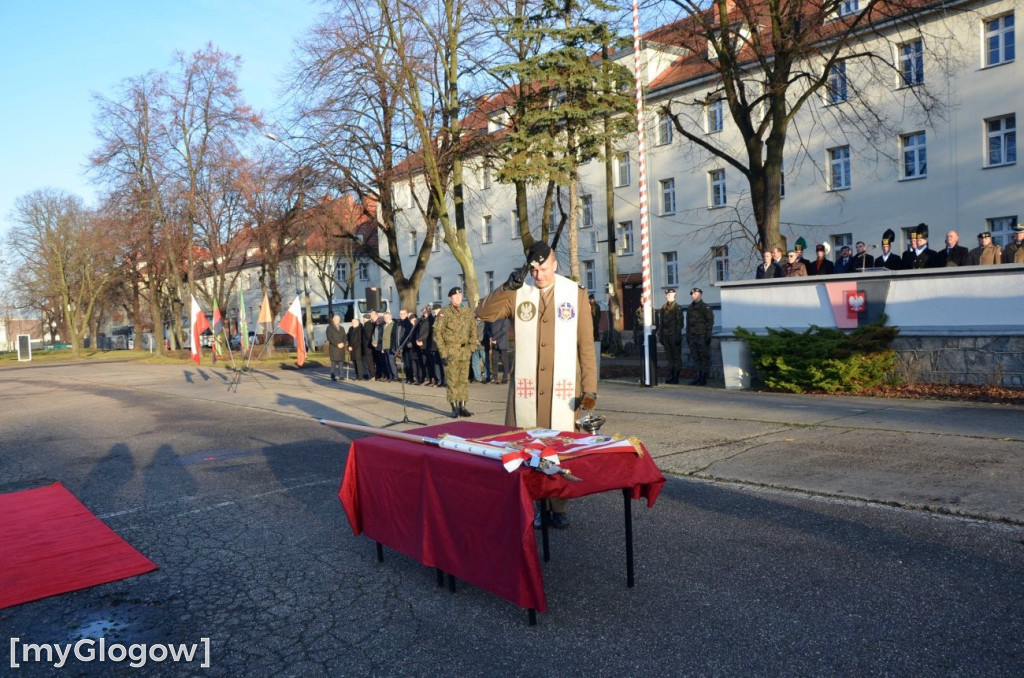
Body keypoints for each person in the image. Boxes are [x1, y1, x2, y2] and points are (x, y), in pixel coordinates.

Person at [477, 241, 597, 529]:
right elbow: (484, 313)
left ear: (555, 265)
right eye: (534, 269)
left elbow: (586, 346)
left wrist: (590, 389)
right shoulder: (519, 292)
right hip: (526, 391)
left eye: (543, 268)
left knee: (559, 449)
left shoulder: (575, 294)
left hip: (563, 389)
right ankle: (534, 504)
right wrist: (506, 287)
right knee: (526, 450)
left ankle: (559, 505)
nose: (538, 275)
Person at [434, 287, 476, 418]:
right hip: (451, 352)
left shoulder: (467, 311)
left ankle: (462, 406)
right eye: (455, 296)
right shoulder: (444, 313)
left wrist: (472, 347)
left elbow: (473, 331)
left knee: (463, 381)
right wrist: (443, 354)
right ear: (450, 298)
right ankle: (454, 408)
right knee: (452, 381)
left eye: (460, 295)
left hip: (465, 351)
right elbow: (437, 334)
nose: (458, 298)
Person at [686, 287, 715, 385]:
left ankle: (703, 377)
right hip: (692, 335)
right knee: (695, 357)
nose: (693, 295)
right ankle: (698, 376)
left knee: (703, 357)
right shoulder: (690, 308)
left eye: (695, 294)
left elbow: (710, 322)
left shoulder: (705, 307)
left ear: (700, 295)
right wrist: (688, 336)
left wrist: (708, 335)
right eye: (692, 294)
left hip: (702, 335)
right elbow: (688, 323)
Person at [659, 288, 684, 383]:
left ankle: (676, 376)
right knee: (669, 356)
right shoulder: (663, 307)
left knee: (676, 356)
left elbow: (680, 323)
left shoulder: (677, 307)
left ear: (674, 295)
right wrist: (660, 335)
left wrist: (677, 336)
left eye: (669, 295)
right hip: (666, 336)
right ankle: (671, 374)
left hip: (674, 335)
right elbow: (661, 323)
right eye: (666, 295)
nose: (667, 296)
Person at [487, 317, 510, 384]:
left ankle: (505, 378)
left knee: (504, 361)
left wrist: (494, 338)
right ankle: (494, 377)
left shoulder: (505, 319)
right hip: (494, 343)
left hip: (502, 342)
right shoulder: (493, 318)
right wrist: (490, 337)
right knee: (494, 360)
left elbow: (503, 330)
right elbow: (488, 328)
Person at [326, 314, 347, 382]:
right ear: (333, 320)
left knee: (341, 362)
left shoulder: (342, 328)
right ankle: (333, 376)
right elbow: (330, 338)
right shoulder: (329, 328)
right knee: (334, 363)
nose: (338, 320)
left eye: (339, 319)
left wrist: (343, 343)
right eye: (336, 319)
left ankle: (341, 376)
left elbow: (345, 337)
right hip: (334, 348)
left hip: (341, 348)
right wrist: (337, 344)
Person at [346, 316, 366, 380]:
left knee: (359, 362)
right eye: (352, 322)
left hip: (358, 348)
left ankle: (361, 376)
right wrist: (349, 346)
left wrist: (353, 347)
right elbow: (348, 338)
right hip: (352, 348)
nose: (353, 323)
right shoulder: (351, 328)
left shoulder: (360, 328)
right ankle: (357, 375)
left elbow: (360, 340)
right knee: (354, 362)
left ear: (358, 322)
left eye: (354, 322)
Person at [380, 311, 397, 381]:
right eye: (384, 317)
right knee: (387, 362)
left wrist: (393, 346)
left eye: (387, 317)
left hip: (390, 346)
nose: (386, 319)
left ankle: (395, 376)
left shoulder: (393, 324)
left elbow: (393, 336)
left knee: (391, 362)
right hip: (385, 346)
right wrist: (383, 347)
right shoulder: (384, 325)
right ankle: (390, 376)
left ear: (390, 317)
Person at [589, 293, 602, 378]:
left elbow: (598, 316)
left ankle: (596, 342)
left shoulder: (597, 306)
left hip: (595, 323)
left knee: (595, 334)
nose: (591, 300)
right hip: (589, 323)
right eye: (590, 299)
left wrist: (596, 323)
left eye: (592, 299)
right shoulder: (588, 306)